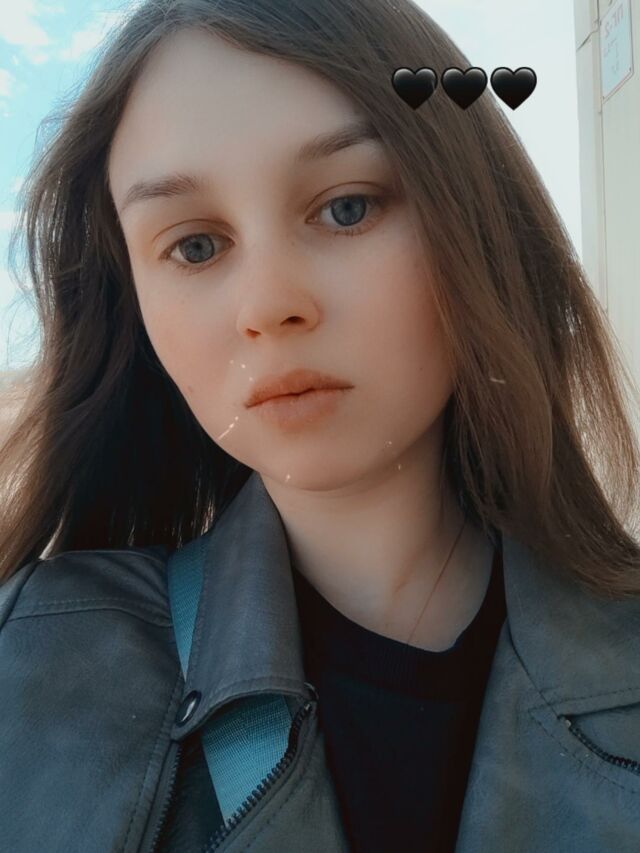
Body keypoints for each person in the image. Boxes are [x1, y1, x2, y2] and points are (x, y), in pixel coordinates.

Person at [1, 1, 639, 852]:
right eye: (194, 247)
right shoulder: (31, 665)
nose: (269, 304)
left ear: (476, 223)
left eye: (346, 208)